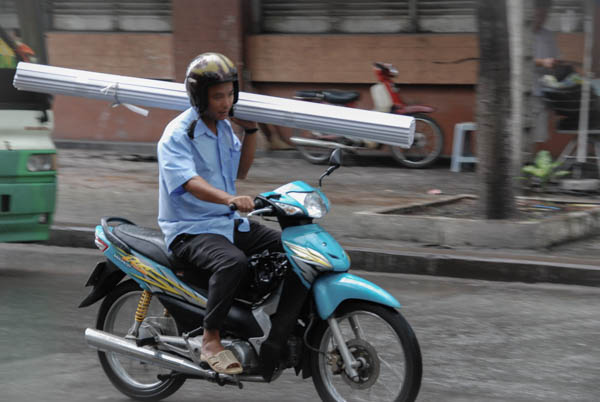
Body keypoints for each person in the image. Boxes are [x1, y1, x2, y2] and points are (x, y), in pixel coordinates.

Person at [157, 52, 281, 375]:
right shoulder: (177, 134)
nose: (226, 103)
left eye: (229, 94)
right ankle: (211, 337)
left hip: (226, 222)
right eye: (217, 96)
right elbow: (191, 183)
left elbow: (240, 169)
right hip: (189, 230)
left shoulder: (224, 129)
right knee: (232, 262)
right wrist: (230, 199)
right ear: (199, 97)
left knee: (287, 246)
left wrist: (251, 132)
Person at [529, 0, 559, 159]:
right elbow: (521, 59)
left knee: (540, 131)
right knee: (526, 128)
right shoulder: (524, 33)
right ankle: (525, 163)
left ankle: (534, 164)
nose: (542, 17)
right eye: (539, 13)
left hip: (543, 88)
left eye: (545, 13)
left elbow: (554, 57)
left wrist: (553, 63)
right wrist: (542, 61)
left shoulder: (548, 34)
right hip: (526, 88)